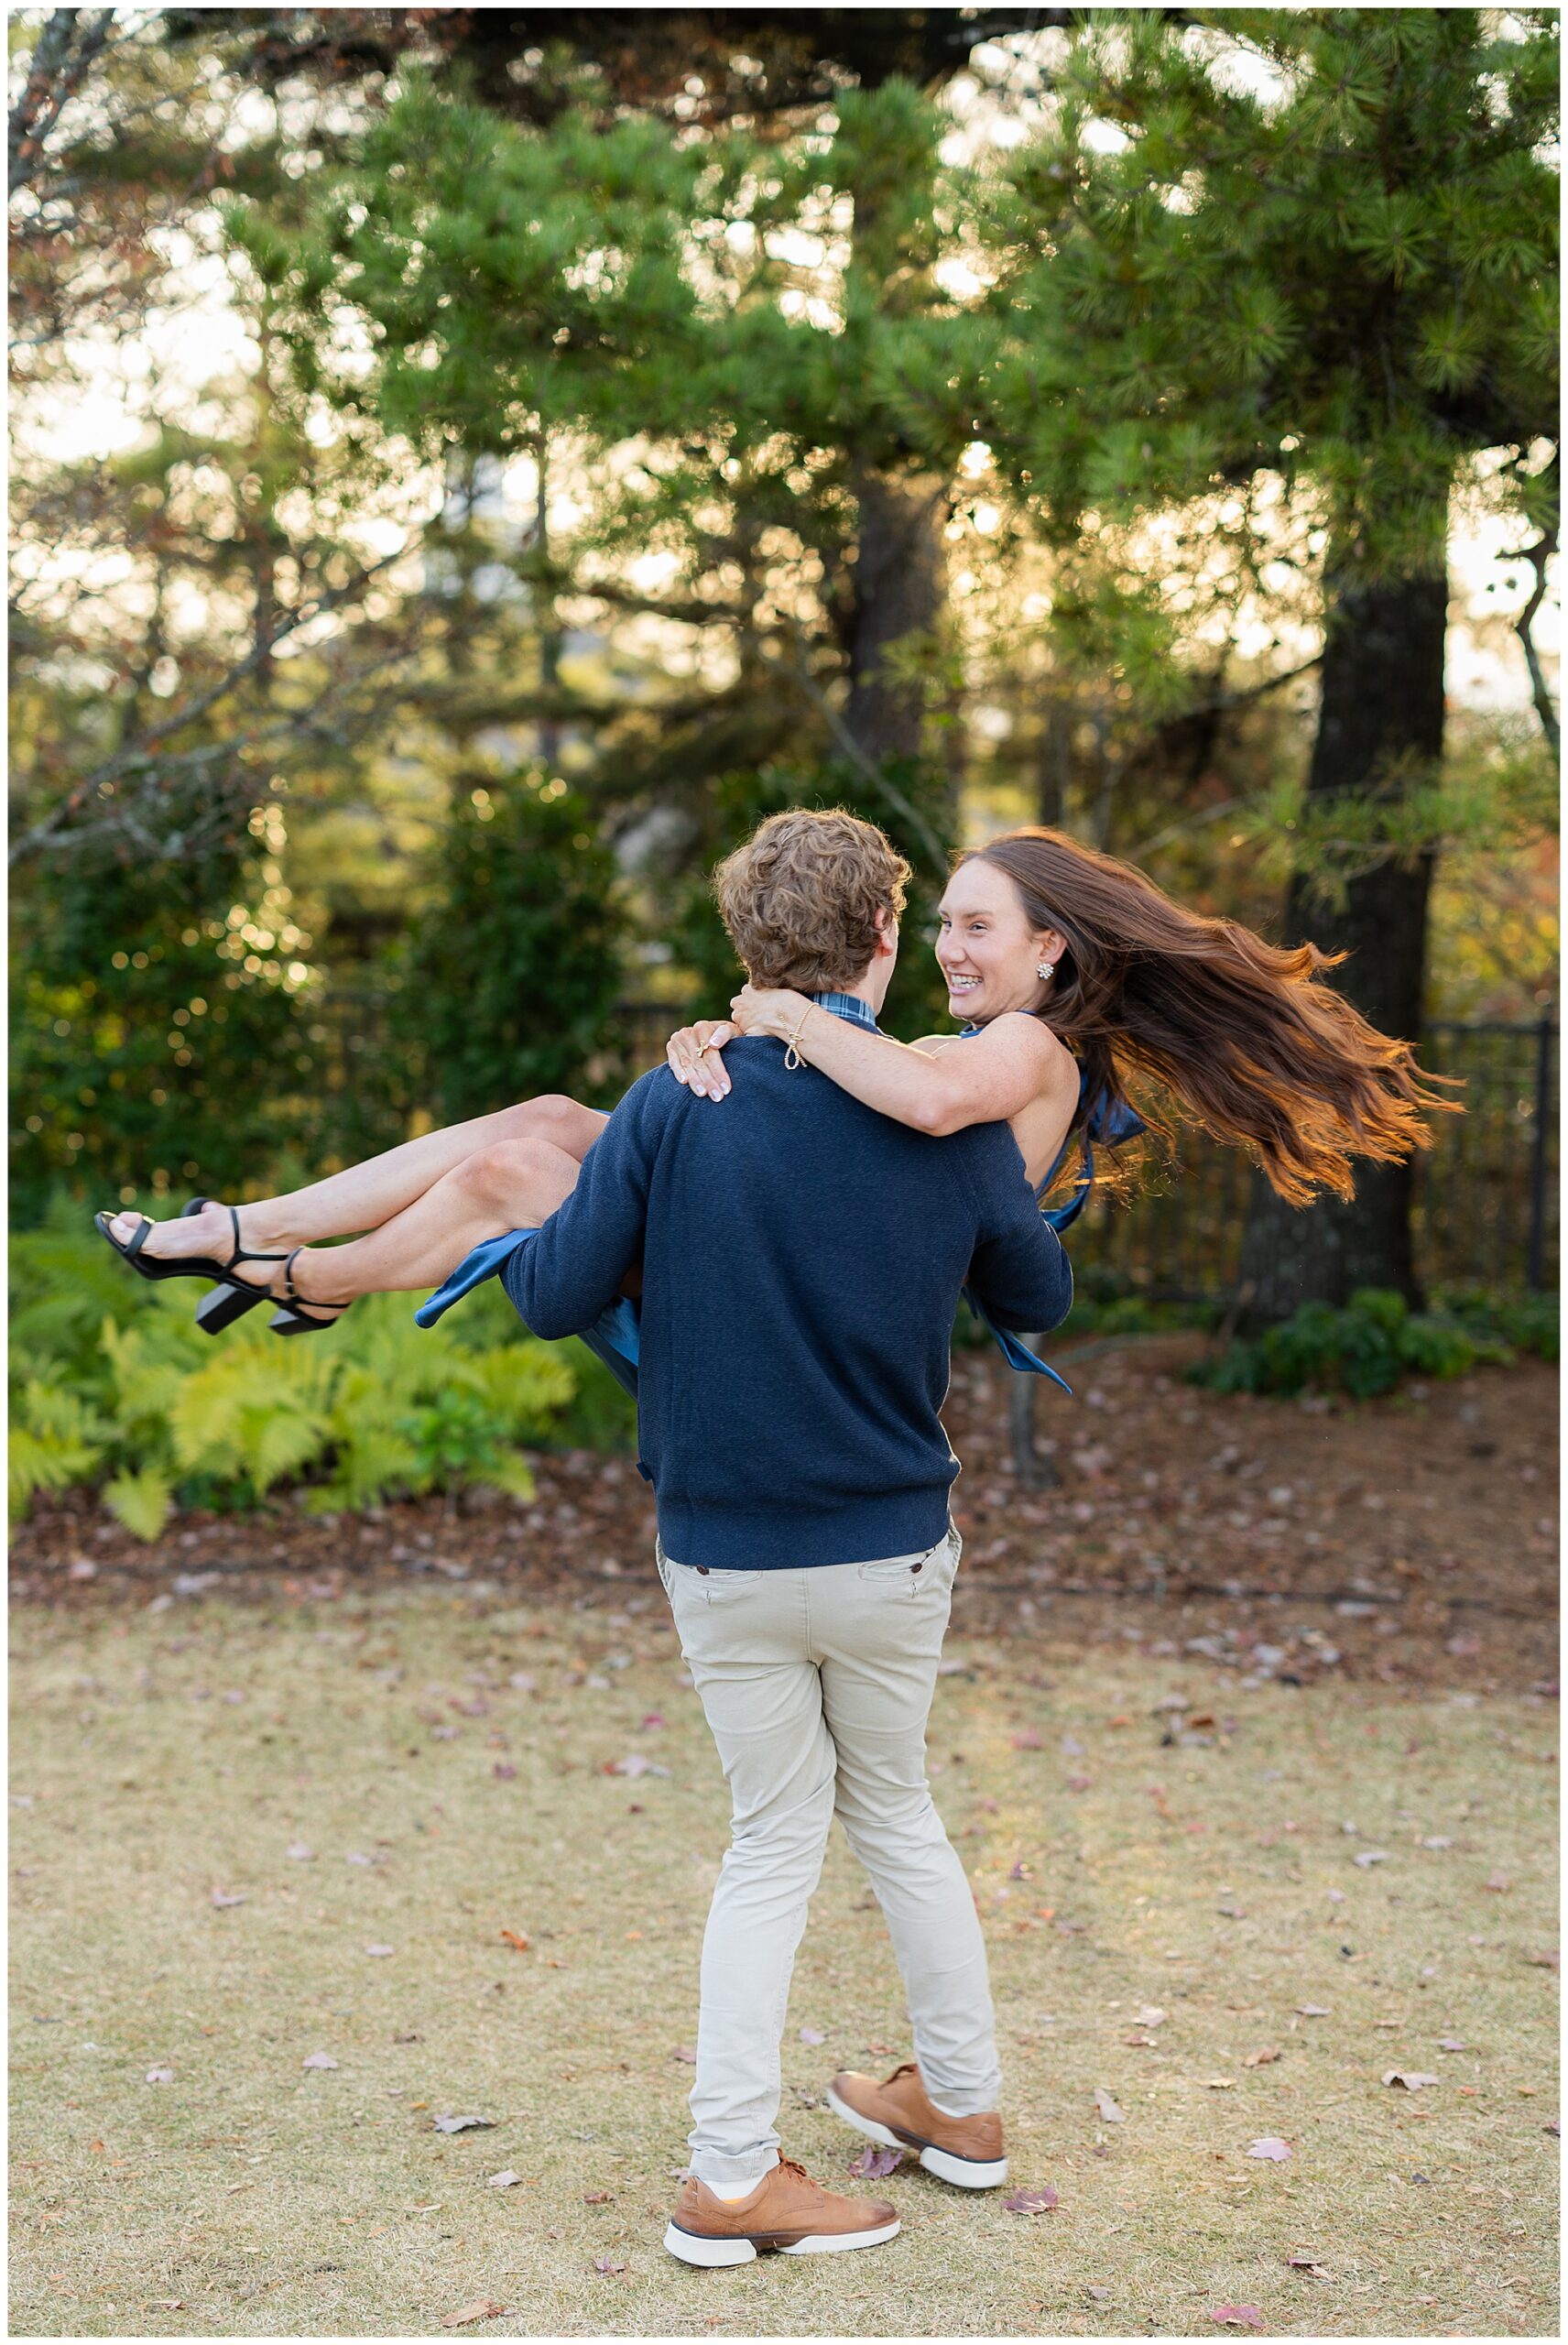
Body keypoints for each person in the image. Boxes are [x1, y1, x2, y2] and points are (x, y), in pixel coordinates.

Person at [493, 807, 1074, 2264]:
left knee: (772, 1846)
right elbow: (1038, 1296)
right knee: (897, 1812)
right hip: (890, 1554)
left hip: (724, 1554)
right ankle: (967, 2106)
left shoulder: (672, 1103)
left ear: (746, 953)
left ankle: (734, 2176)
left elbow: (554, 1296)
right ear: (885, 941)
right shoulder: (938, 1105)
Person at [93, 821, 1447, 1338]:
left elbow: (913, 1105)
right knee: (547, 1123)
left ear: (1051, 947)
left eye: (976, 926)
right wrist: (730, 1043)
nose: (947, 946)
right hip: (804, 1231)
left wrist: (775, 1011)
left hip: (825, 1275)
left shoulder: (1030, 1050)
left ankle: (294, 1278)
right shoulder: (970, 1047)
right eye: (941, 924)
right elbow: (854, 1077)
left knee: (514, 1172)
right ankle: (250, 1229)